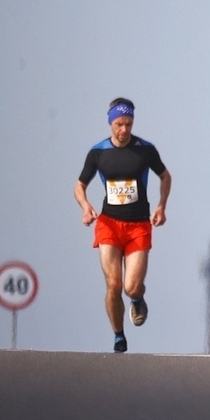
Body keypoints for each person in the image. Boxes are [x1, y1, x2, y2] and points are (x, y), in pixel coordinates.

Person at [74, 98, 172, 353]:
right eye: (119, 124)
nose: (124, 130)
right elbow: (79, 185)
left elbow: (165, 175)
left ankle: (137, 299)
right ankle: (119, 336)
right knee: (113, 284)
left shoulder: (145, 150)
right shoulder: (99, 153)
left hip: (138, 225)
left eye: (128, 124)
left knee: (130, 286)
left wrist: (162, 206)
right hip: (109, 224)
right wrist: (85, 206)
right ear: (110, 123)